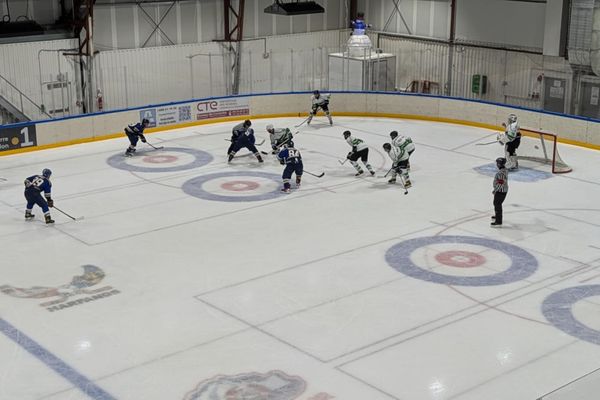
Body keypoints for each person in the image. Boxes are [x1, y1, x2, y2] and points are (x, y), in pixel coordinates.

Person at [491, 157, 508, 227]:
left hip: (500, 191)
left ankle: (498, 221)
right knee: (497, 204)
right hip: (503, 190)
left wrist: (495, 190)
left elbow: (501, 183)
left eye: (497, 163)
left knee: (497, 204)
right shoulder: (505, 170)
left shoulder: (500, 173)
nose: (496, 164)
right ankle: (497, 216)